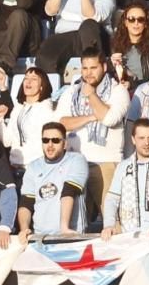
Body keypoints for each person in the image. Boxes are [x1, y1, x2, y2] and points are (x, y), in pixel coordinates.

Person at [55, 47, 131, 222]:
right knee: (76, 222)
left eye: (93, 68)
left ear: (104, 67)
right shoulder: (71, 92)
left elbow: (109, 119)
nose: (88, 73)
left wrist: (91, 95)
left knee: (114, 221)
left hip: (106, 163)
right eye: (85, 68)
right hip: (75, 162)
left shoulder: (118, 91)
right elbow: (60, 123)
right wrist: (90, 117)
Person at [36, 0, 116, 75]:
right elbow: (49, 11)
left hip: (92, 36)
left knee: (88, 25)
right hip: (66, 35)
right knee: (48, 48)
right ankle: (51, 87)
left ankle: (97, 76)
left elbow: (92, 17)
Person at [17, 122, 88, 238]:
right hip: (41, 238)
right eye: (45, 140)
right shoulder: (33, 167)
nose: (50, 145)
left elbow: (68, 192)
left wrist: (64, 228)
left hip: (70, 235)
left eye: (55, 140)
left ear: (64, 144)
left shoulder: (76, 160)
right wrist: (24, 229)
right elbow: (26, 203)